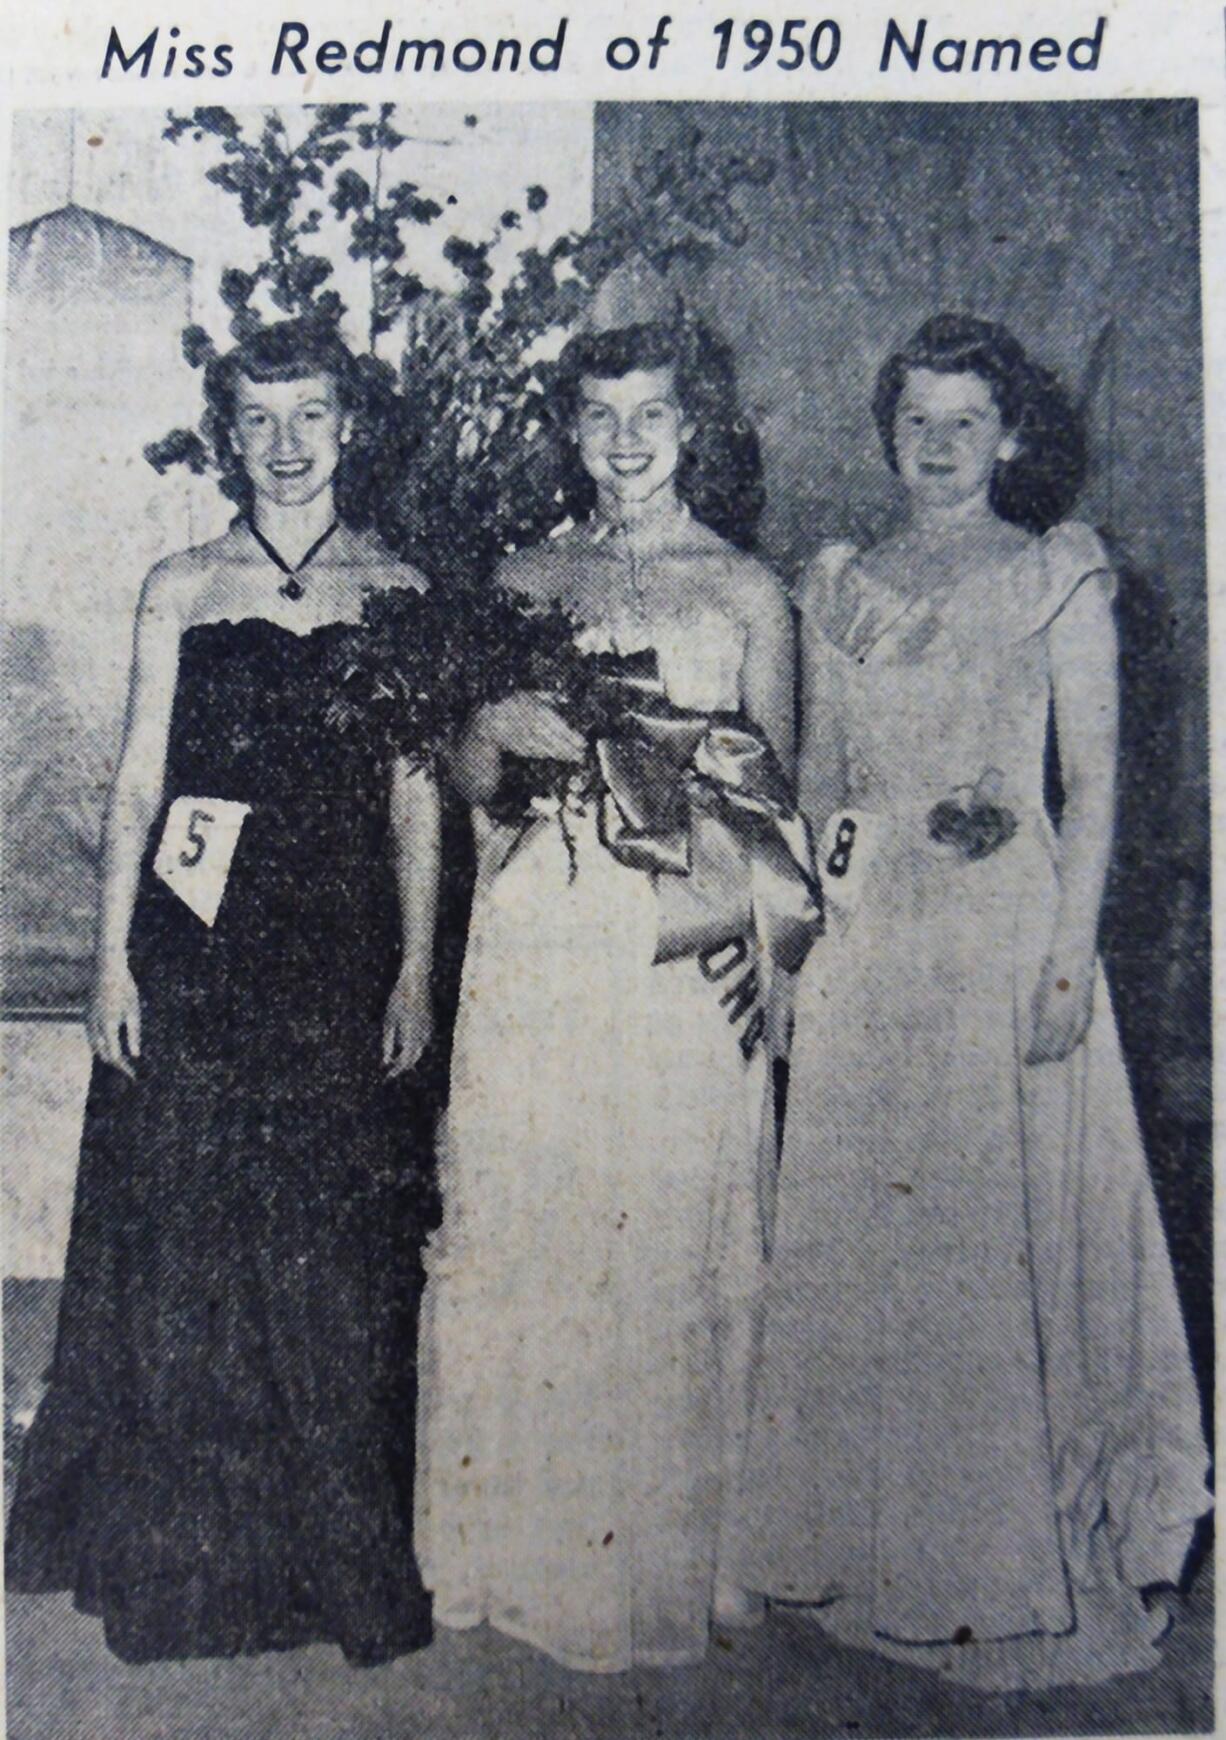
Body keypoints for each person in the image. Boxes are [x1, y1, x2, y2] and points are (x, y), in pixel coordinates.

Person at [728, 314, 1211, 1689]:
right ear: (885, 434)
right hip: (873, 937)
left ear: (1008, 436)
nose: (935, 447)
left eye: (962, 422)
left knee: (997, 1226)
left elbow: (1095, 786)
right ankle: (872, 1553)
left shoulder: (1056, 574)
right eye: (913, 421)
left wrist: (1069, 958)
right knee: (869, 1221)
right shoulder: (839, 580)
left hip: (1004, 938)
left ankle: (1010, 1556)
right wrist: (794, 934)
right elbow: (817, 779)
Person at [7, 317, 440, 1667]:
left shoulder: (402, 583)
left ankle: (322, 1557)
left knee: (326, 1255)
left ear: (348, 425)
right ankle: (191, 1562)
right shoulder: (180, 581)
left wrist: (419, 964)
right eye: (261, 419)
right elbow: (137, 782)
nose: (288, 443)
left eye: (310, 414)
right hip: (198, 947)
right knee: (191, 1234)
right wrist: (106, 963)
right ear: (229, 434)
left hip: (341, 950)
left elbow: (418, 797)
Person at [414, 269, 796, 1673]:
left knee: (669, 1213)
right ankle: (500, 1542)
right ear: (567, 434)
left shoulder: (746, 589)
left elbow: (775, 801)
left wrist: (766, 965)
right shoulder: (520, 577)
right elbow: (464, 781)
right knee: (531, 1212)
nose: (625, 441)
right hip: (538, 930)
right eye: (598, 417)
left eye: (651, 416)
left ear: (693, 431)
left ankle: (687, 1556)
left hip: (676, 942)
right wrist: (493, 723)